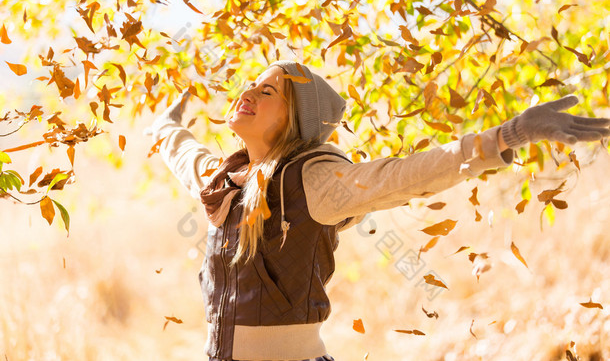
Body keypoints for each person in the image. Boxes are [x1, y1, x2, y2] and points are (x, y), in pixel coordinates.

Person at [148, 61, 610, 361]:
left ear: (295, 120)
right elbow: (180, 150)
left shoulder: (314, 180)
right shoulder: (223, 179)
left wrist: (506, 136)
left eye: (269, 92)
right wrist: (165, 123)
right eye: (254, 83)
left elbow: (404, 174)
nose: (249, 91)